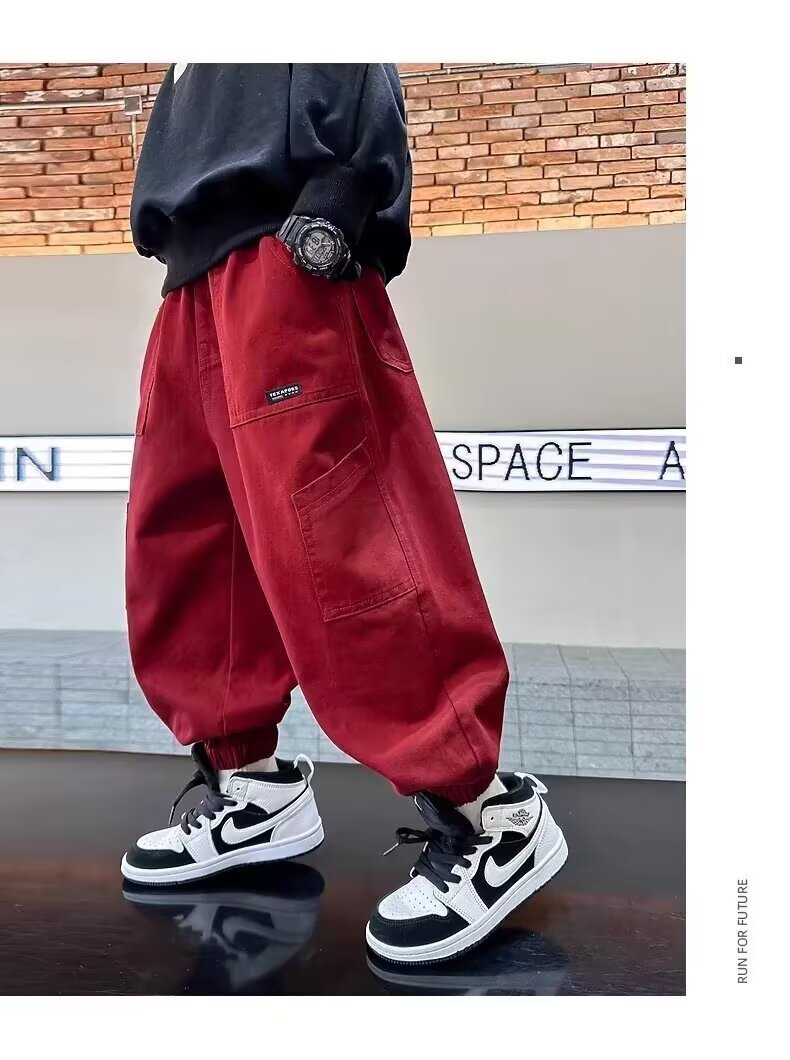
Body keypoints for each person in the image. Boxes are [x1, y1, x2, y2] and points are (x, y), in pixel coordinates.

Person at [122, 63, 567, 963]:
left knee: (345, 549)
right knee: (188, 552)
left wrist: (348, 189)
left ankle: (491, 815)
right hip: (190, 278)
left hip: (287, 248)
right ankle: (256, 793)